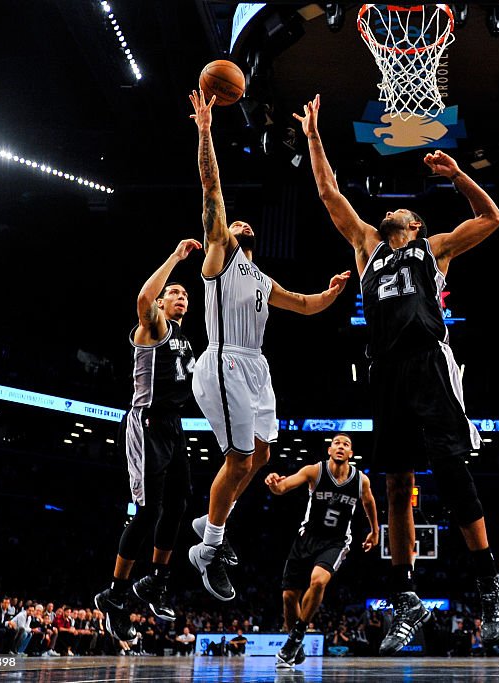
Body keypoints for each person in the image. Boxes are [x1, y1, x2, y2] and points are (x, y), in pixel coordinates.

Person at [294, 93, 499, 655]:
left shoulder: (435, 248)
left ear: (413, 223)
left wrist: (459, 175)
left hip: (429, 362)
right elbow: (328, 194)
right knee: (394, 485)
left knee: (451, 465)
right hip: (385, 373)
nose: (392, 213)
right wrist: (315, 137)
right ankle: (405, 597)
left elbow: (493, 218)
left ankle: (490, 584)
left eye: (402, 213)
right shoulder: (366, 246)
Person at [186, 89, 350, 602]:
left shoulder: (261, 278)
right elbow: (211, 186)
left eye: (241, 224)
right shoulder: (218, 258)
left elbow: (303, 306)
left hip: (257, 368)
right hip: (224, 360)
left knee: (259, 456)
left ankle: (209, 519)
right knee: (238, 460)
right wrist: (206, 130)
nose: (238, 223)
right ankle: (207, 548)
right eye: (233, 224)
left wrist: (330, 294)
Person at [94, 239, 201, 642]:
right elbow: (143, 296)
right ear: (160, 304)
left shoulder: (186, 340)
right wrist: (174, 258)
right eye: (174, 292)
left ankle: (156, 579)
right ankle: (117, 594)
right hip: (147, 423)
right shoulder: (152, 325)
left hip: (174, 425)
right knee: (147, 512)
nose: (180, 296)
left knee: (179, 503)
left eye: (184, 293)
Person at [265, 434, 379, 668]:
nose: (341, 446)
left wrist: (374, 531)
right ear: (329, 450)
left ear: (350, 453)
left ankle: (296, 636)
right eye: (336, 443)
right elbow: (284, 487)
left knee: (318, 581)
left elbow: (369, 502)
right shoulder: (314, 471)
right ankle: (295, 645)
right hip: (306, 538)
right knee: (289, 597)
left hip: (335, 541)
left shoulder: (361, 480)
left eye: (346, 444)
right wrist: (275, 484)